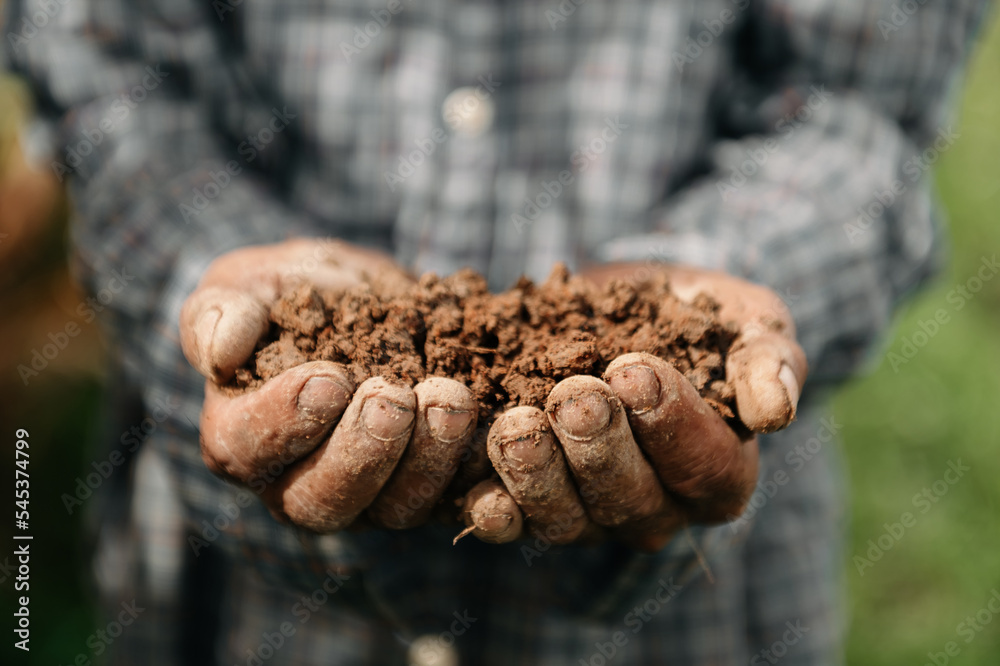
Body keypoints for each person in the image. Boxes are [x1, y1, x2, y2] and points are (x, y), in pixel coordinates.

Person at [4, 0, 989, 663]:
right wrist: (210, 294)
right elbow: (112, 91)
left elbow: (853, 109)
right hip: (235, 607)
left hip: (693, 621)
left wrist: (719, 296)